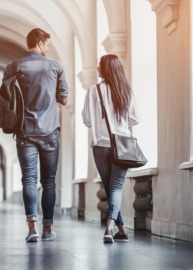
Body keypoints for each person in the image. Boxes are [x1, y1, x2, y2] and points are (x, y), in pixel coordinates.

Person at [2, 28, 68, 242]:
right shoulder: (56, 66)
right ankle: (48, 228)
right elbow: (64, 99)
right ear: (40, 43)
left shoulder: (13, 67)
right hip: (50, 132)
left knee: (28, 179)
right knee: (48, 181)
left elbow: (5, 99)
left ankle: (32, 228)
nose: (48, 49)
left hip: (25, 131)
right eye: (47, 44)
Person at [81, 54, 140, 243]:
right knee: (114, 188)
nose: (97, 68)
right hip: (122, 146)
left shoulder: (93, 91)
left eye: (100, 65)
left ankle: (112, 228)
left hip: (100, 146)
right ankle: (117, 229)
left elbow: (87, 120)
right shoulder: (126, 91)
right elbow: (135, 119)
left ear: (106, 69)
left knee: (110, 188)